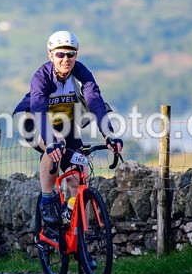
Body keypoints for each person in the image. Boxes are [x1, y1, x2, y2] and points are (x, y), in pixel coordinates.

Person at [14, 30, 123, 229]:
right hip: (37, 125)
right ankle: (47, 199)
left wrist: (109, 135)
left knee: (80, 178)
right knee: (56, 143)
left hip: (67, 126)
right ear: (51, 55)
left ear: (76, 54)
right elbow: (39, 111)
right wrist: (50, 141)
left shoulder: (81, 74)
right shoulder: (42, 77)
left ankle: (81, 235)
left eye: (70, 54)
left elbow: (96, 103)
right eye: (60, 54)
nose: (66, 59)